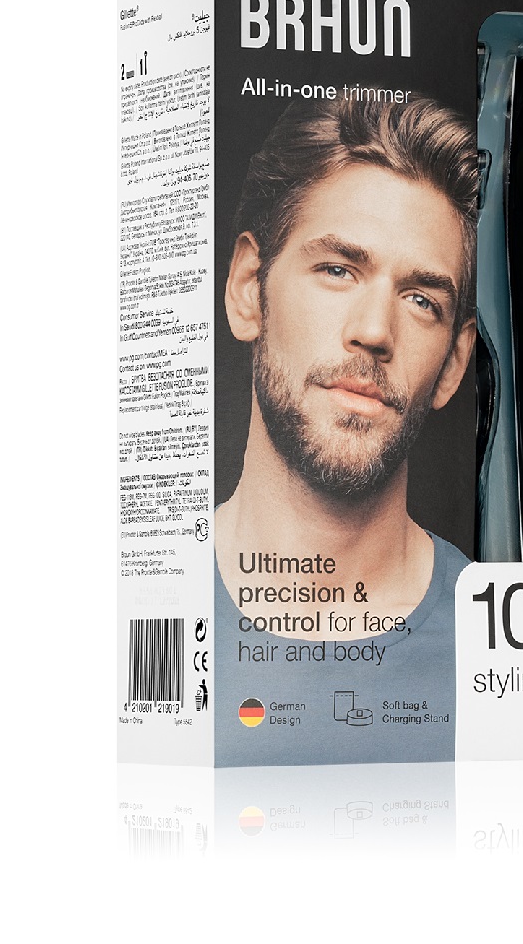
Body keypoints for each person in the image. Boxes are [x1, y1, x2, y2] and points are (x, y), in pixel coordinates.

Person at [213, 95, 478, 764]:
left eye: (421, 300)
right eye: (337, 270)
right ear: (248, 288)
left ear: (453, 364)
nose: (374, 330)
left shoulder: (501, 648)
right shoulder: (131, 607)